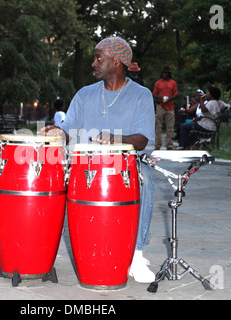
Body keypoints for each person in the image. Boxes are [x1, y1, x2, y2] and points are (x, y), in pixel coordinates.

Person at [42, 36, 156, 283]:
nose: (93, 63)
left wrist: (115, 138)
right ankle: (38, 251)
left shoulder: (141, 95)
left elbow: (142, 139)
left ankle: (136, 254)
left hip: (124, 165)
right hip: (85, 166)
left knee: (145, 178)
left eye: (98, 58)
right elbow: (69, 127)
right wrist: (58, 132)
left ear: (116, 61)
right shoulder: (84, 94)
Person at [153, 65, 178, 150]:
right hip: (160, 105)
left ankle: (169, 144)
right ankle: (157, 144)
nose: (164, 74)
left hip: (170, 106)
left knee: (170, 127)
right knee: (158, 126)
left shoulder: (173, 83)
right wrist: (161, 97)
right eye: (163, 73)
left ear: (169, 74)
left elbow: (175, 93)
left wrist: (169, 99)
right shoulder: (158, 83)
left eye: (166, 73)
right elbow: (154, 94)